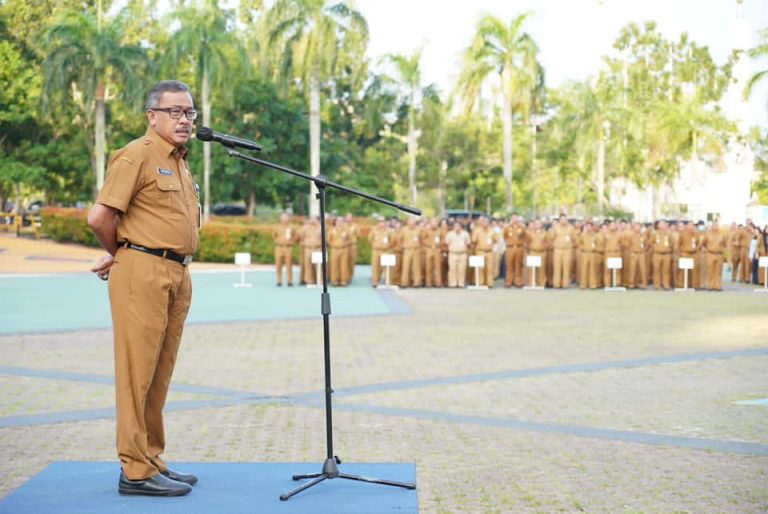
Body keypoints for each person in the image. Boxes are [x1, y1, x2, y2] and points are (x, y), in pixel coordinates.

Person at [87, 80, 199, 496]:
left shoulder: (180, 161)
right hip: (143, 272)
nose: (184, 120)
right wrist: (119, 252)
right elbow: (99, 217)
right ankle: (134, 470)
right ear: (152, 115)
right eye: (175, 112)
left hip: (176, 274)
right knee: (137, 373)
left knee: (159, 372)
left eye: (189, 113)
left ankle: (152, 458)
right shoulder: (137, 155)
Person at [272, 212, 296, 286]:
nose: (284, 219)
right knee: (278, 265)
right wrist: (278, 241)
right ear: (280, 218)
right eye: (282, 217)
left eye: (286, 217)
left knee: (289, 265)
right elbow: (273, 236)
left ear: (288, 218)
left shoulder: (292, 227)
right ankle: (279, 280)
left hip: (288, 247)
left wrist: (291, 242)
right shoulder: (277, 226)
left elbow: (295, 236)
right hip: (279, 247)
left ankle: (290, 281)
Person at [445, 221, 470, 287]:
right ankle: (453, 283)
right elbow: (446, 243)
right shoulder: (450, 234)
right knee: (452, 269)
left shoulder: (465, 234)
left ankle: (461, 283)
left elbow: (468, 243)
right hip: (453, 253)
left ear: (461, 227)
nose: (457, 227)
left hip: (462, 254)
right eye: (455, 226)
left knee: (462, 269)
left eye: (458, 226)